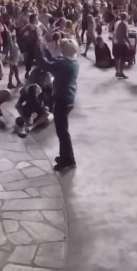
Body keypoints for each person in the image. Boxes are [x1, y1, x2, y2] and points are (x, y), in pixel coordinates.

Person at [34, 39, 81, 172]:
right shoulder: (72, 62)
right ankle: (64, 156)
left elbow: (46, 65)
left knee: (63, 132)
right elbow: (53, 61)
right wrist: (45, 48)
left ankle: (69, 160)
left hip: (63, 99)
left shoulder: (64, 64)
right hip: (68, 98)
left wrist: (38, 49)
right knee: (62, 131)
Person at [112, 13, 131, 79]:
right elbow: (125, 35)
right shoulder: (124, 24)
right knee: (123, 58)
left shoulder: (117, 23)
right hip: (122, 43)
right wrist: (129, 44)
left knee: (117, 58)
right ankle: (121, 72)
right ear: (126, 17)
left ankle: (117, 71)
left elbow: (114, 32)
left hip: (116, 42)